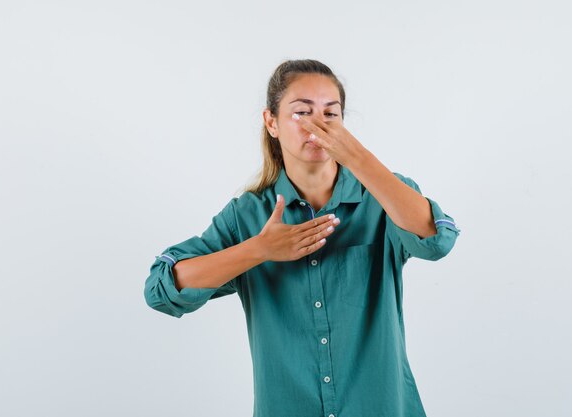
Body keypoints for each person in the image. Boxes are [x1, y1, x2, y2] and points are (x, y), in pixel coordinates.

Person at [144, 59, 461, 417]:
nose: (316, 124)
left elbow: (438, 240)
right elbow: (161, 289)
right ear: (271, 122)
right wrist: (259, 249)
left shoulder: (384, 196)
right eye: (301, 112)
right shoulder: (246, 215)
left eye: (331, 114)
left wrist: (357, 158)